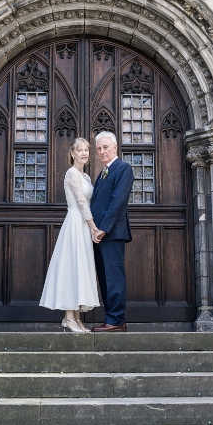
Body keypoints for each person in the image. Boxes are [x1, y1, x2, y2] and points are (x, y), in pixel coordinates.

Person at [39, 137, 100, 333]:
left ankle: (78, 318)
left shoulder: (86, 177)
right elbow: (81, 202)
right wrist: (93, 227)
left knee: (81, 268)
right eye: (79, 150)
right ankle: (68, 317)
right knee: (71, 267)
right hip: (76, 223)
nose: (84, 153)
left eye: (86, 151)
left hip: (84, 224)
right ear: (72, 154)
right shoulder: (72, 173)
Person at [90, 131, 134, 332]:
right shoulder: (102, 172)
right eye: (99, 148)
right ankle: (112, 318)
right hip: (98, 235)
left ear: (115, 147)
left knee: (114, 277)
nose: (102, 152)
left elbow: (118, 202)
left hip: (111, 233)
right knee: (105, 278)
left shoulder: (123, 168)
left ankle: (116, 320)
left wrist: (104, 229)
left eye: (105, 147)